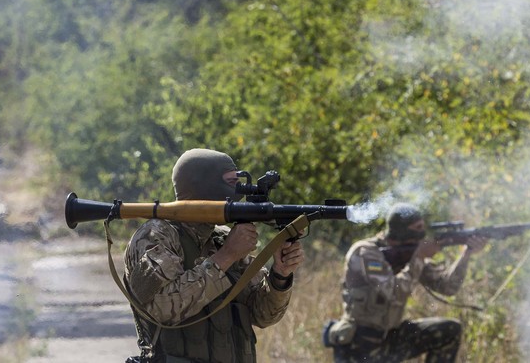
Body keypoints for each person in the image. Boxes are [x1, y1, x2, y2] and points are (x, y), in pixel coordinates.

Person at [122, 148, 305, 362]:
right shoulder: (156, 236)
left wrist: (280, 275)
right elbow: (162, 308)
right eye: (231, 182)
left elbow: (262, 315)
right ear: (202, 186)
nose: (238, 190)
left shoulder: (221, 238)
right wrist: (226, 256)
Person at [326, 203, 487, 363]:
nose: (423, 233)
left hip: (391, 337)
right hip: (361, 344)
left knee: (449, 330)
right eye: (417, 227)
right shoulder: (366, 252)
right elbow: (392, 293)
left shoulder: (411, 252)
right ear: (402, 231)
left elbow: (447, 286)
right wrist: (419, 258)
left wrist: (467, 254)